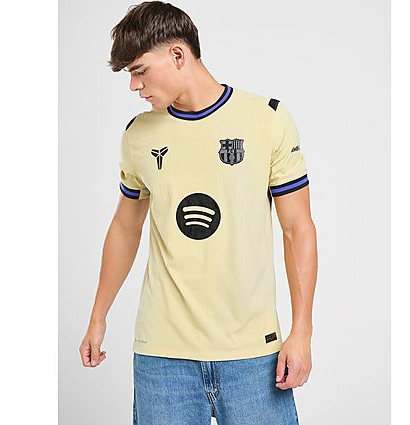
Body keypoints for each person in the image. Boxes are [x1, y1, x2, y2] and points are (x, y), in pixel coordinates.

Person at [79, 2, 318, 424]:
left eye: (139, 71)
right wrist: (98, 315)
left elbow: (297, 228)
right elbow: (125, 226)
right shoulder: (138, 135)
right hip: (162, 358)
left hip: (253, 354)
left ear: (177, 54)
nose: (134, 86)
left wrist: (302, 331)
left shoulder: (267, 120)